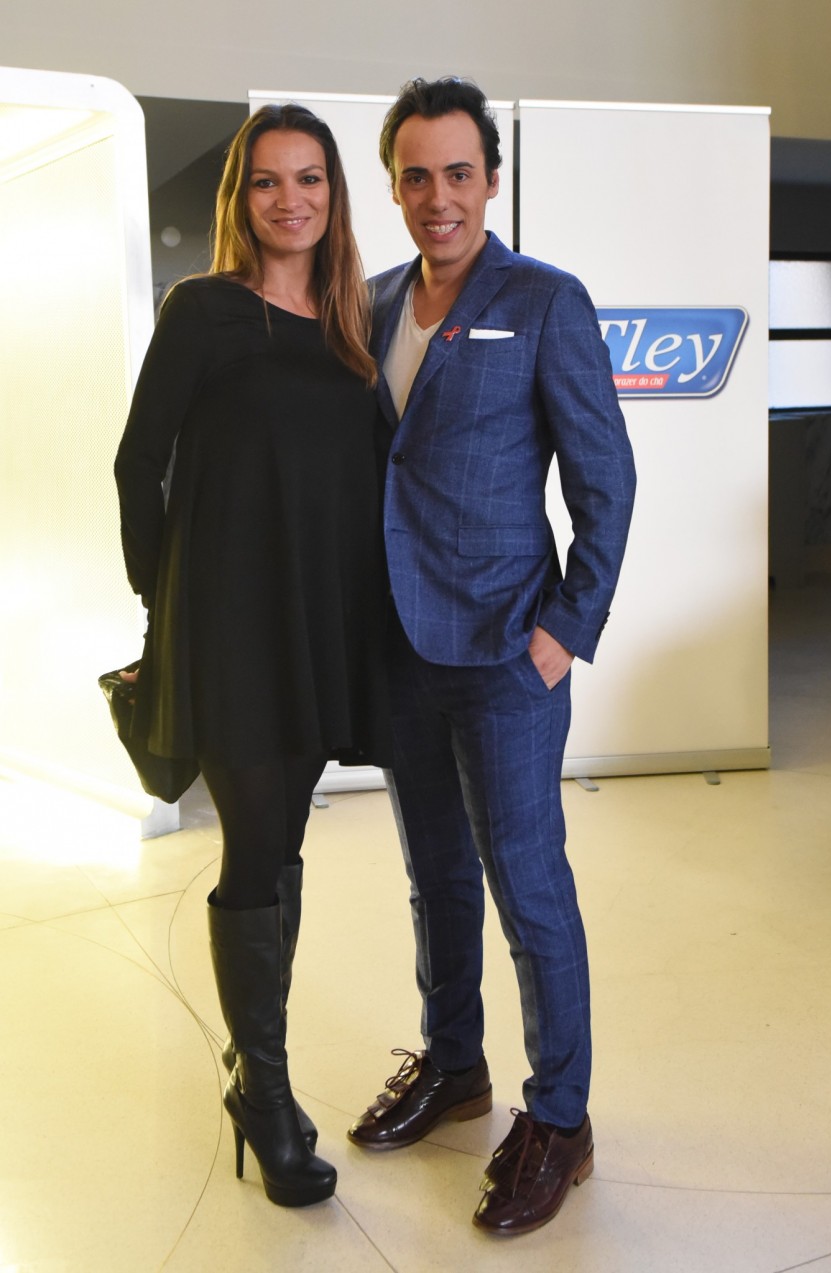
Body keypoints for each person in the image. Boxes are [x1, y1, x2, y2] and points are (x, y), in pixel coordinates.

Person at [346, 78, 637, 1236]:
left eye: (458, 173)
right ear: (395, 186)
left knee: (528, 884)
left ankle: (559, 1116)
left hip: (507, 652)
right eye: (416, 176)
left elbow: (605, 479)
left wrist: (564, 631)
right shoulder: (371, 302)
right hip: (402, 650)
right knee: (436, 874)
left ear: (492, 180)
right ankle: (455, 1064)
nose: (439, 197)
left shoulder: (544, 300)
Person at [114, 103, 393, 1209]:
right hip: (227, 626)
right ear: (242, 197)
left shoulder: (353, 324)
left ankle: (252, 1064)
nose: (291, 199)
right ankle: (266, 1096)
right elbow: (138, 464)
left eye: (310, 178)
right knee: (256, 842)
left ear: (334, 194)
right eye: (268, 180)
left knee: (283, 849)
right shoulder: (203, 309)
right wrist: (165, 606)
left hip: (319, 624)